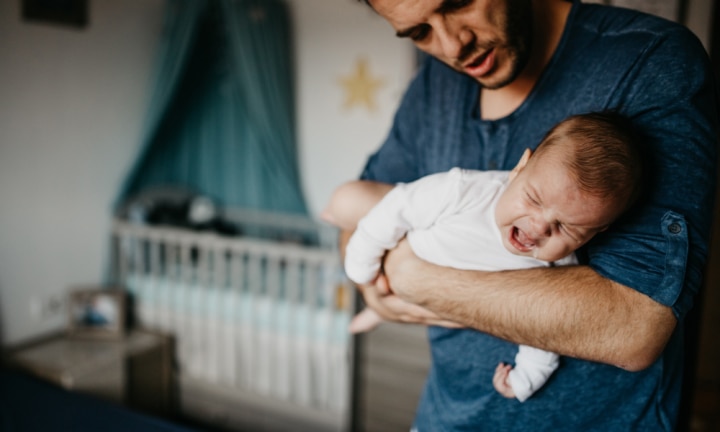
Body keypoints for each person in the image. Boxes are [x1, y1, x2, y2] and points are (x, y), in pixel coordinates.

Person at [344, 0, 718, 430]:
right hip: (443, 416)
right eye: (419, 33)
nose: (451, 45)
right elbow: (361, 210)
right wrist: (372, 283)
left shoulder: (649, 62)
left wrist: (410, 276)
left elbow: (635, 329)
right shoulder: (433, 86)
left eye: (458, 3)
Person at [324, 112, 643, 402]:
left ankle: (381, 309)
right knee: (352, 202)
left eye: (567, 228)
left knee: (415, 301)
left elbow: (544, 328)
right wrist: (362, 265)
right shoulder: (465, 189)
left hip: (442, 298)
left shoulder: (557, 267)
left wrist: (526, 378)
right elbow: (398, 208)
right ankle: (378, 304)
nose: (539, 227)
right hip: (412, 244)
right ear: (519, 169)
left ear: (593, 234)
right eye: (533, 199)